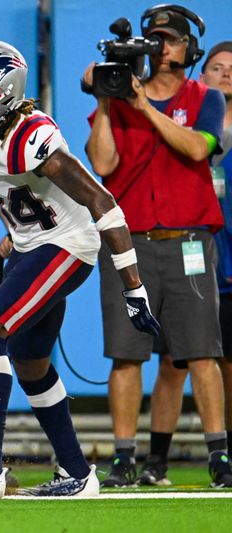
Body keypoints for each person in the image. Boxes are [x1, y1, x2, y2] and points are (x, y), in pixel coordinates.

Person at [0, 38, 159, 499]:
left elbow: (103, 204)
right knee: (31, 365)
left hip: (67, 245)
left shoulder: (32, 137)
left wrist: (133, 288)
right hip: (30, 249)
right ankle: (76, 473)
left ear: (1, 98)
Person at [84, 6, 232, 488]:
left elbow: (196, 148)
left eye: (169, 40)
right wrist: (108, 102)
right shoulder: (120, 98)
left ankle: (219, 456)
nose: (159, 47)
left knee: (201, 353)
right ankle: (125, 458)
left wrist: (143, 105)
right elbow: (102, 164)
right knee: (126, 355)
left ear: (188, 50)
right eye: (153, 39)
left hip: (188, 240)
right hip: (130, 244)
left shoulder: (206, 97)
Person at [200, 40, 232, 469]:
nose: (226, 74)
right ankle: (154, 459)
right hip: (199, 254)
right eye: (218, 67)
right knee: (178, 359)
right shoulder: (188, 125)